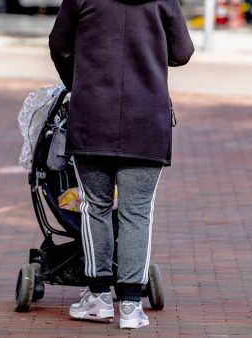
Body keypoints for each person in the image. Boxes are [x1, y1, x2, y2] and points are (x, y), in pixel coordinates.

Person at [49, 0, 194, 330]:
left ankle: (98, 297)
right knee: (137, 212)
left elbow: (59, 44)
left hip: (93, 117)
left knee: (95, 206)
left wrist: (78, 82)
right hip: (146, 120)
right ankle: (130, 305)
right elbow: (182, 52)